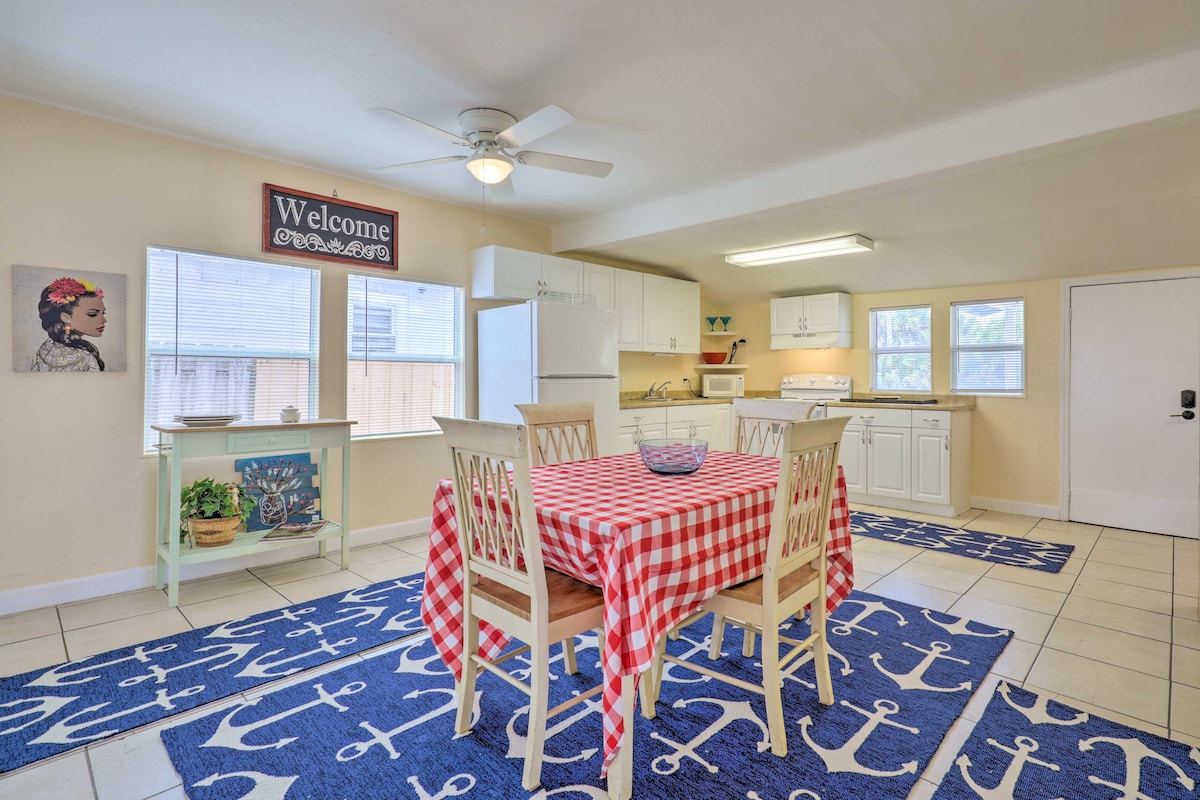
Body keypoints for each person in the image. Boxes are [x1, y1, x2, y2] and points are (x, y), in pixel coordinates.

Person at [31, 276, 107, 371]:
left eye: (103, 313)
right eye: (93, 314)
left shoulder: (46, 347)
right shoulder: (84, 358)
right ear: (66, 318)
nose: (104, 320)